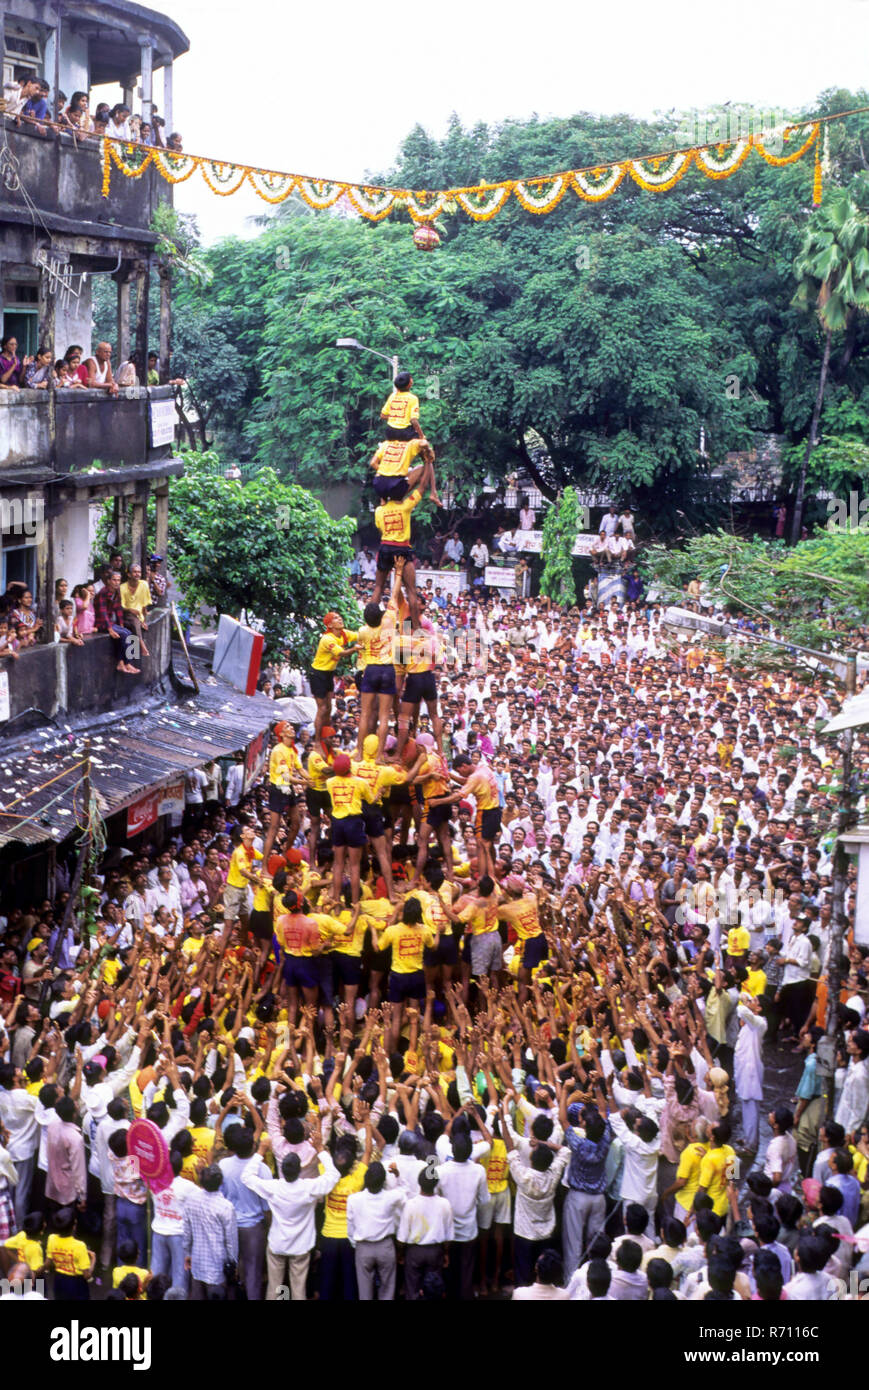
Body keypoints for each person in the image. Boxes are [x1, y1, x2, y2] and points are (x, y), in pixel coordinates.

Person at [242, 1115, 339, 1299]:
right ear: (298, 1171)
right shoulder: (308, 1188)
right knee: (298, 1290)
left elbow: (247, 1177)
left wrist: (260, 1151)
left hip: (278, 1244)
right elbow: (333, 1176)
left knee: (276, 1288)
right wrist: (320, 1149)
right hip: (301, 1247)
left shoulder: (274, 1187)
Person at [182, 1164, 238, 1301]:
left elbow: (187, 1232)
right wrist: (233, 1263)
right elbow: (231, 1241)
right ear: (221, 1182)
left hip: (197, 1262)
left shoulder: (191, 1201)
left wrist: (188, 1253)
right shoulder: (226, 1207)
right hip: (217, 1267)